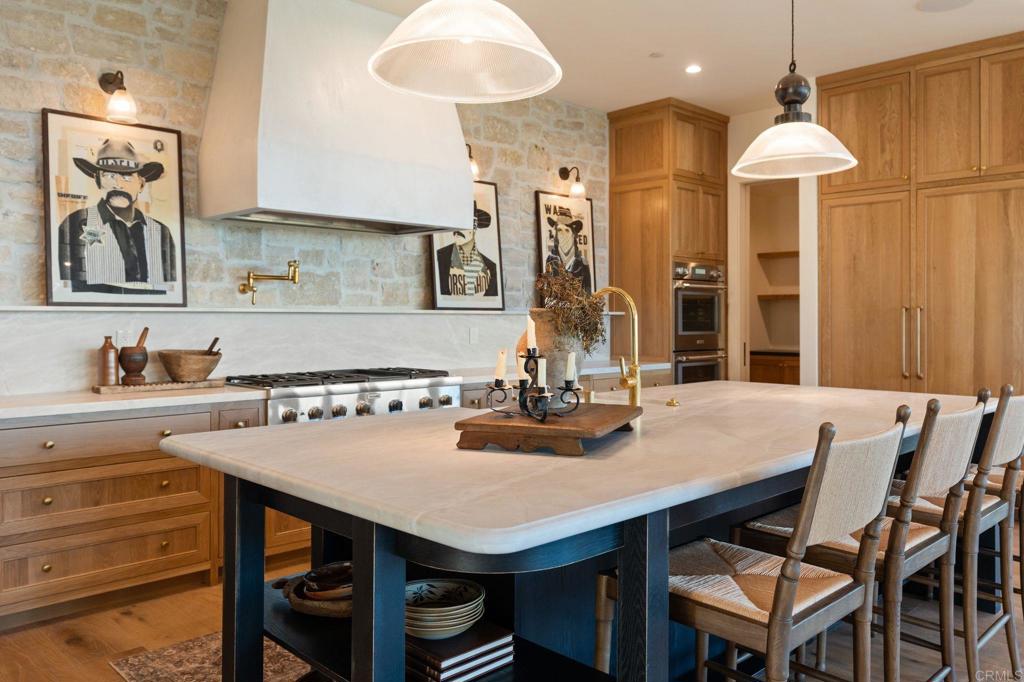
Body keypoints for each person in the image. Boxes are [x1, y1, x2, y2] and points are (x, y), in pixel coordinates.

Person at [58, 138, 177, 294]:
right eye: (109, 175)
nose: (118, 184)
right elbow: (73, 288)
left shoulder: (161, 232)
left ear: (141, 184)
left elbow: (169, 290)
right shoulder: (76, 224)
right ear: (98, 180)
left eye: (127, 177)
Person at [436, 202, 499, 297]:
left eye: (464, 224)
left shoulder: (491, 268)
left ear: (475, 226)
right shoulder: (439, 258)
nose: (457, 229)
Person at [544, 207, 592, 294]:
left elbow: (588, 293)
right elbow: (548, 291)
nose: (563, 234)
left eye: (567, 230)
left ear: (573, 234)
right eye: (559, 230)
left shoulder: (583, 262)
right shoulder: (551, 260)